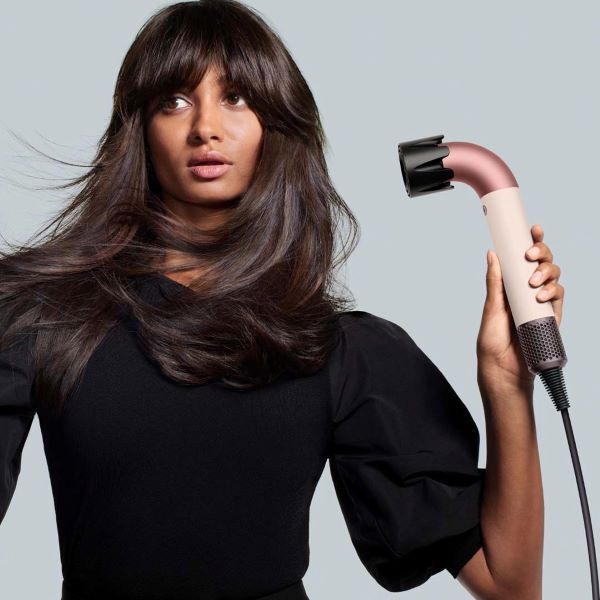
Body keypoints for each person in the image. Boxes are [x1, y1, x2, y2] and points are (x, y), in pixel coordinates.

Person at [0, 1, 564, 598]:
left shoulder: (339, 352)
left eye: (237, 98)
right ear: (138, 129)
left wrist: (507, 384)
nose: (206, 127)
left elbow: (510, 585)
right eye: (175, 100)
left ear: (276, 123)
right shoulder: (44, 319)